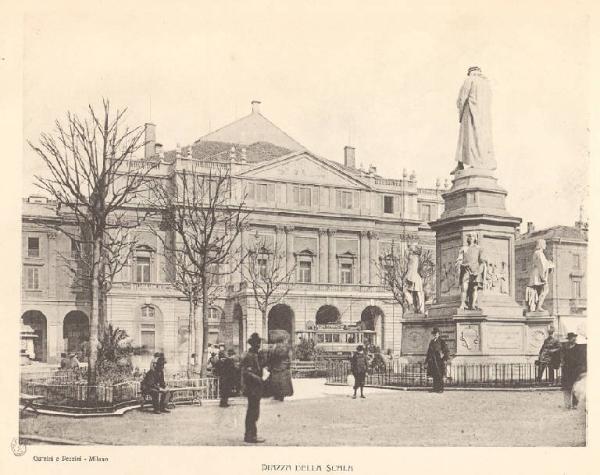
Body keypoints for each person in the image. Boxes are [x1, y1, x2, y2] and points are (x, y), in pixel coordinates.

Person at [454, 66, 495, 172]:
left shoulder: (469, 80)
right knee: (482, 139)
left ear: (470, 73)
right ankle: (483, 162)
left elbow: (462, 98)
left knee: (468, 139)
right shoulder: (487, 84)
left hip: (470, 113)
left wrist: (460, 113)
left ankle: (468, 163)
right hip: (484, 118)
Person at [241, 333, 266, 443]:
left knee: (254, 411)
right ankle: (250, 436)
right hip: (252, 387)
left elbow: (259, 367)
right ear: (253, 344)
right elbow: (246, 372)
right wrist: (258, 378)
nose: (259, 345)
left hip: (256, 387)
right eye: (257, 343)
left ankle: (251, 434)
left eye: (259, 343)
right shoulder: (249, 356)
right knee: (253, 411)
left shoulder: (256, 355)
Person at [456, 233, 486, 310]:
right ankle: (462, 304)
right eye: (469, 236)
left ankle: (473, 304)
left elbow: (482, 260)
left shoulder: (479, 248)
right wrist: (460, 263)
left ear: (476, 238)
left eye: (472, 236)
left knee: (474, 288)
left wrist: (481, 268)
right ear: (467, 238)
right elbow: (459, 259)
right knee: (464, 287)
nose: (471, 238)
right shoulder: (463, 248)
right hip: (466, 269)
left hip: (476, 270)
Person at [526, 239, 554, 312]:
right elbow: (542, 265)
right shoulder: (539, 253)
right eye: (544, 244)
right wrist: (544, 277)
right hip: (539, 274)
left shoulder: (537, 253)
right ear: (541, 244)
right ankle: (538, 306)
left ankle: (534, 307)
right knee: (545, 289)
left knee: (537, 291)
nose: (545, 245)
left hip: (536, 273)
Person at [561, 332, 586, 409]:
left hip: (576, 370)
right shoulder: (565, 347)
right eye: (572, 338)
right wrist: (562, 362)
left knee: (575, 387)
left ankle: (575, 404)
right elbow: (562, 357)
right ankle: (567, 404)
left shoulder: (579, 348)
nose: (574, 339)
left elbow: (582, 359)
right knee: (567, 387)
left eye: (575, 337)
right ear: (569, 339)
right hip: (566, 370)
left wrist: (580, 368)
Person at [266, 331, 294, 401]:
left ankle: (276, 395)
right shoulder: (287, 348)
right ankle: (281, 396)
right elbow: (289, 358)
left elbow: (269, 358)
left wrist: (269, 366)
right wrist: (288, 364)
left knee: (275, 381)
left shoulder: (273, 348)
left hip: (275, 367)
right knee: (283, 382)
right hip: (283, 367)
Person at [425, 327, 449, 393]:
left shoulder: (441, 341)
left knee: (439, 374)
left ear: (439, 334)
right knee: (434, 374)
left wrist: (444, 358)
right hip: (432, 360)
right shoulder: (432, 341)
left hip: (439, 360)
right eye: (434, 333)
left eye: (436, 333)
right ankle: (435, 388)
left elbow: (446, 350)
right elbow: (429, 351)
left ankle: (440, 389)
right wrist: (426, 361)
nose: (435, 334)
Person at [404, 245, 425, 313]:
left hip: (412, 277)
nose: (408, 252)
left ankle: (414, 305)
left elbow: (413, 268)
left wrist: (410, 278)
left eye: (410, 250)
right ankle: (419, 308)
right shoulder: (416, 258)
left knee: (414, 292)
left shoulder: (413, 258)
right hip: (414, 276)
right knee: (418, 293)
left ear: (412, 251)